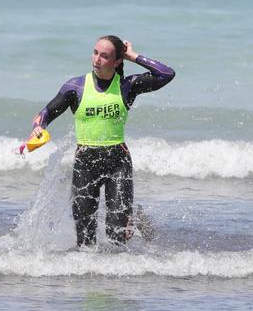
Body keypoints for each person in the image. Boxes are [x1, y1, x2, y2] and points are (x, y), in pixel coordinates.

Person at [29, 36, 174, 247]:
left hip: (118, 163)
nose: (97, 59)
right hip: (85, 165)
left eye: (105, 56)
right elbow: (45, 113)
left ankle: (128, 223)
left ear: (117, 61)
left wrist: (133, 56)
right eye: (95, 53)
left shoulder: (127, 86)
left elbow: (166, 74)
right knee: (85, 241)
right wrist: (38, 128)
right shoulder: (75, 87)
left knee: (116, 239)